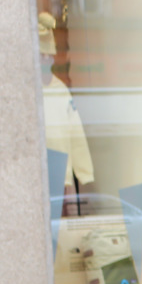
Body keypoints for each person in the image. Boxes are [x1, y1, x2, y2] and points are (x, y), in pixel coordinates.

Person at [39, 12, 95, 215]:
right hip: (40, 170)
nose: (45, 59)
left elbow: (76, 132)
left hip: (63, 171)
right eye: (41, 54)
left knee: (66, 227)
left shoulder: (60, 90)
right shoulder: (31, 90)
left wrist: (84, 173)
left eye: (48, 54)